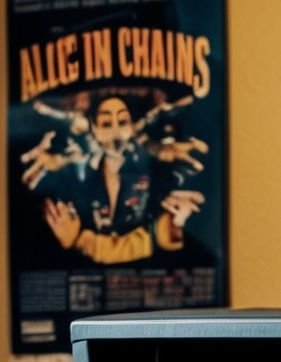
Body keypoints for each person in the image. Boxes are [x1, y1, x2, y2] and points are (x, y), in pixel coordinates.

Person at [31, 95, 208, 265]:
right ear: (94, 129)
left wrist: (79, 241)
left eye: (122, 122)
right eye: (106, 124)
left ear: (132, 127)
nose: (115, 132)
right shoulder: (74, 176)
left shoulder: (154, 171)